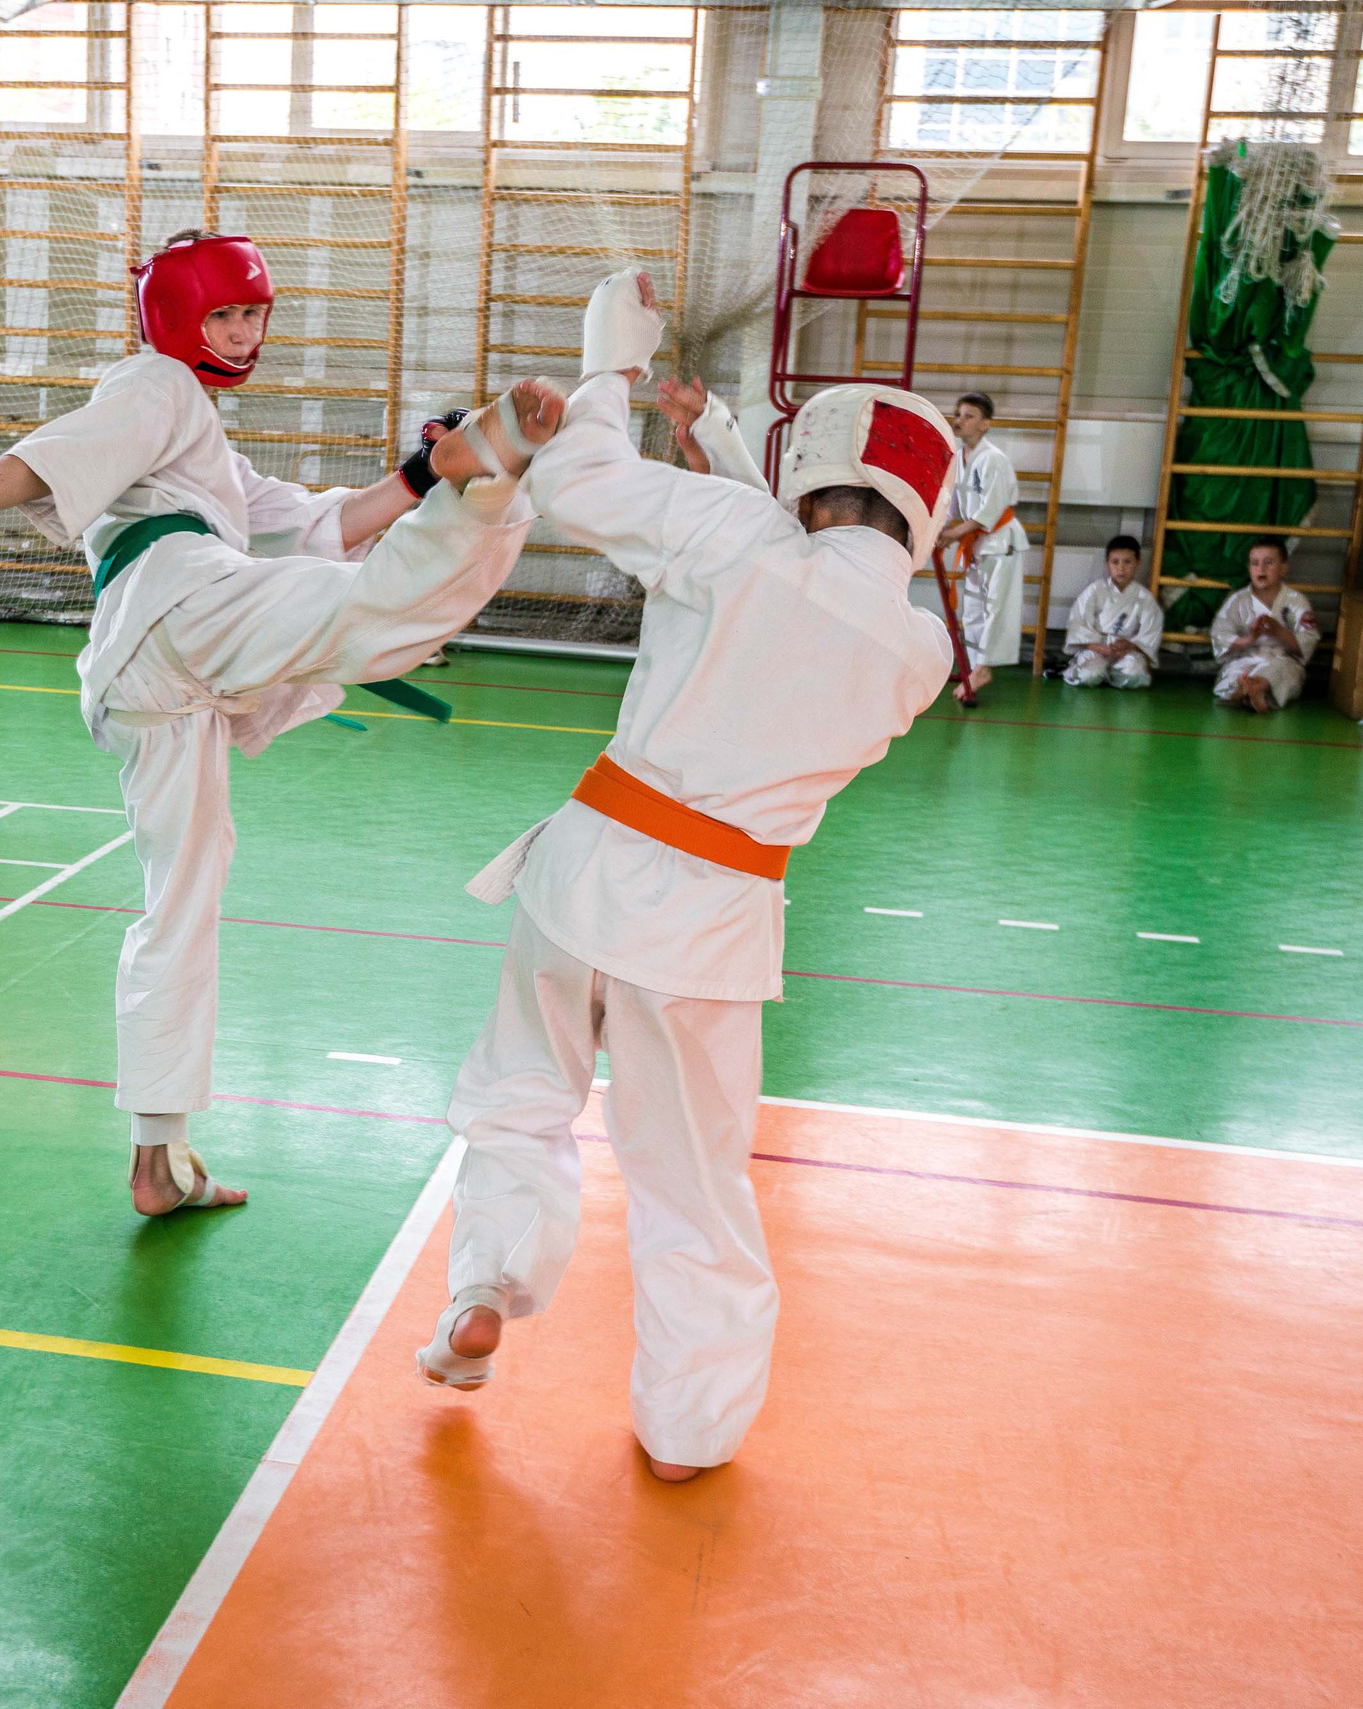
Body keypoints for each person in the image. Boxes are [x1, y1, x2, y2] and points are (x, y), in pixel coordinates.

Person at [0, 230, 562, 1219]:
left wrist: (416, 474)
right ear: (172, 321)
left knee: (180, 909)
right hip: (182, 605)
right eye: (224, 316)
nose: (244, 336)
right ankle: (485, 487)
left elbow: (323, 517)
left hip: (155, 684)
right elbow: (62, 452)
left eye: (253, 316)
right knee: (370, 615)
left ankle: (157, 1157)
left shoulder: (203, 455)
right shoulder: (157, 387)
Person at [419, 270, 956, 1485]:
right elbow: (811, 557)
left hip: (585, 874)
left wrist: (607, 366)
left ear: (799, 471)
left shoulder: (734, 538)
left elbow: (585, 484)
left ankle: (487, 1283)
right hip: (712, 927)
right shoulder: (915, 651)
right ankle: (686, 1430)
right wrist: (710, 437)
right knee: (692, 1190)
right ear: (922, 515)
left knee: (518, 1097)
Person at [932, 391, 1029, 694]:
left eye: (969, 415)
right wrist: (938, 530)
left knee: (997, 606)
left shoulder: (993, 459)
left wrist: (953, 535)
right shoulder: (958, 458)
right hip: (976, 544)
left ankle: (983, 668)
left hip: (1001, 542)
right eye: (958, 414)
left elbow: (991, 509)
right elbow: (954, 506)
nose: (959, 420)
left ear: (985, 424)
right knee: (973, 608)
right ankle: (974, 667)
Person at [1210, 536, 1319, 712]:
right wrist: (1250, 638)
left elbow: (1307, 644)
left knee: (1281, 672)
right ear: (1249, 568)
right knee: (1235, 672)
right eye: (1254, 563)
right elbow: (1220, 637)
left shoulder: (1296, 601)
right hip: (1245, 658)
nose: (1261, 569)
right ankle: (1244, 687)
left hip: (1282, 661)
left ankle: (1254, 687)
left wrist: (1279, 632)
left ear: (1283, 568)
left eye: (1268, 563)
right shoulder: (1237, 601)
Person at [1063, 534, 1164, 690]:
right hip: (1096, 648)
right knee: (1090, 675)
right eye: (1115, 562)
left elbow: (1149, 634)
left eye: (1127, 562)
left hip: (1127, 651)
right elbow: (1079, 624)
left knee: (1134, 673)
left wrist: (1130, 645)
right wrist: (1101, 648)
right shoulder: (1095, 590)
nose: (1121, 568)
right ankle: (1100, 672)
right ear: (1107, 563)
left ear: (1138, 563)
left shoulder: (1145, 598)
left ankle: (1110, 674)